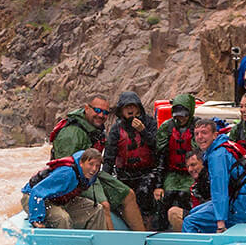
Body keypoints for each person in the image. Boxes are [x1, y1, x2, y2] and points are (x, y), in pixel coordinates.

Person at [50, 95, 145, 231]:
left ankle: (142, 240)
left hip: (92, 174)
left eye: (105, 113)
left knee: (128, 194)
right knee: (104, 205)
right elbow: (65, 170)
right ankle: (110, 244)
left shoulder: (93, 128)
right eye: (97, 110)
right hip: (75, 178)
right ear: (87, 109)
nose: (101, 115)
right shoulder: (72, 134)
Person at [179, 119, 246, 233]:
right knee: (194, 212)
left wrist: (220, 223)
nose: (199, 137)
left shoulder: (217, 156)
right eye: (196, 134)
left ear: (215, 135)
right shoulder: (226, 145)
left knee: (190, 222)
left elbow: (220, 190)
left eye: (204, 133)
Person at [104, 91, 159, 222]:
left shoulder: (150, 123)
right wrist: (105, 181)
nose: (130, 109)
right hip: (124, 174)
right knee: (121, 198)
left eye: (133, 106)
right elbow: (109, 157)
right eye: (126, 107)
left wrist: (143, 131)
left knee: (144, 192)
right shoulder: (116, 129)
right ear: (121, 110)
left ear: (138, 108)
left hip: (147, 172)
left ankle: (148, 222)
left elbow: (157, 147)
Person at [21, 149, 106, 229]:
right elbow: (37, 192)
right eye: (90, 164)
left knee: (97, 209)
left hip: (59, 199)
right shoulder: (66, 174)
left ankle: (97, 242)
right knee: (62, 218)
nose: (94, 169)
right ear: (81, 163)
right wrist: (36, 219)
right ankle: (66, 244)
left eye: (97, 166)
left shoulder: (90, 174)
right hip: (34, 199)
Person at [150, 93, 199, 231]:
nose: (180, 118)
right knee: (165, 196)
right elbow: (161, 158)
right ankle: (160, 230)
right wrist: (158, 185)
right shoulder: (167, 127)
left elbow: (202, 155)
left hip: (192, 173)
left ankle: (190, 227)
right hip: (172, 172)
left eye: (184, 115)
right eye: (177, 115)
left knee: (187, 195)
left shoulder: (198, 127)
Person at [163, 151, 209, 232]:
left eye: (193, 165)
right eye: (188, 167)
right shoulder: (194, 186)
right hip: (201, 217)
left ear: (203, 163)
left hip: (215, 218)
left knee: (174, 213)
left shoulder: (212, 178)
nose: (190, 169)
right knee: (173, 213)